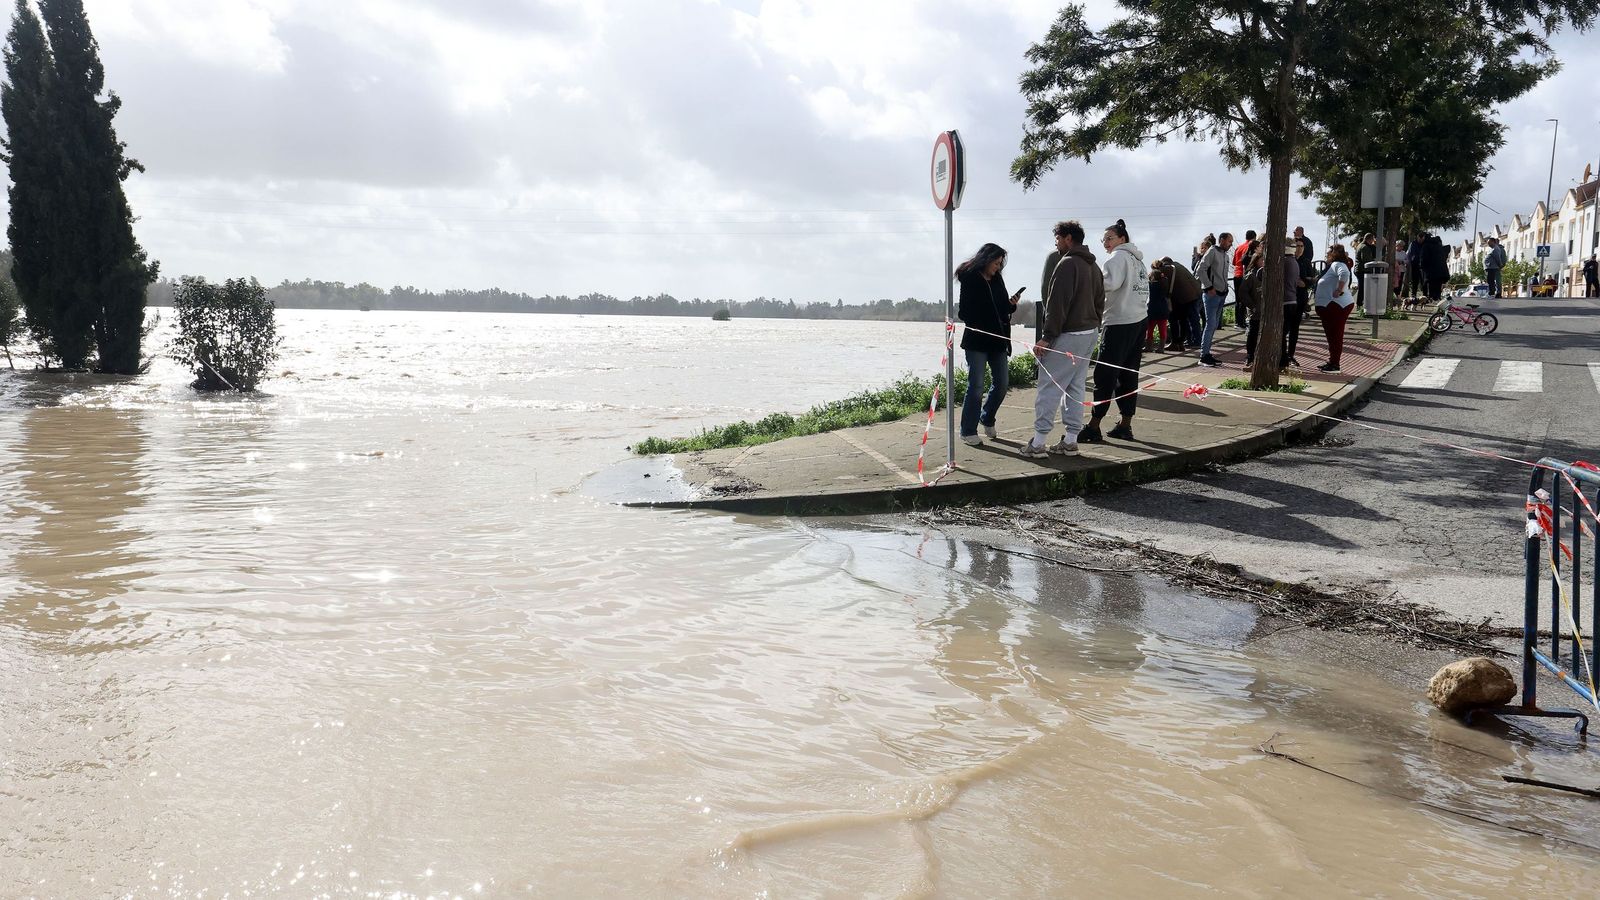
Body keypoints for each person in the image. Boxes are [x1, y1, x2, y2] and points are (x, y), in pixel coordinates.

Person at [1024, 220, 1105, 459]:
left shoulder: (1067, 263)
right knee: (1076, 387)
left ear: (1068, 238)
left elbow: (1057, 304)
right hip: (1089, 333)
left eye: (1058, 238)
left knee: (1049, 387)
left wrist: (1047, 337)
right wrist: (1094, 323)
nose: (1056, 243)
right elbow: (1101, 300)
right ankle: (1070, 440)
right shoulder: (1093, 265)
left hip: (1068, 335)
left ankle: (1038, 443)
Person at [1081, 219, 1147, 443]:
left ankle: (1094, 424)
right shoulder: (1138, 260)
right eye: (1103, 240)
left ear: (1122, 239)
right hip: (1138, 319)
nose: (1105, 243)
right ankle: (1125, 424)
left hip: (1119, 321)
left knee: (1105, 374)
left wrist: (1088, 282)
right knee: (1129, 374)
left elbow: (1108, 284)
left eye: (1109, 238)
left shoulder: (1117, 257)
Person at [954, 242, 1021, 446]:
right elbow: (963, 313)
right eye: (996, 263)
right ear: (986, 259)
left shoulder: (997, 279)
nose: (998, 267)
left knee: (1001, 384)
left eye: (1001, 264)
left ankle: (987, 417)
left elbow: (1002, 308)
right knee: (976, 386)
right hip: (976, 340)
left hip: (998, 339)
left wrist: (1010, 305)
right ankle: (967, 430)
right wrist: (984, 319)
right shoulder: (970, 277)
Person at [1195, 231, 1234, 367]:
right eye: (1229, 241)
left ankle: (1207, 352)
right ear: (1222, 240)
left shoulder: (1225, 255)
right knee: (1210, 324)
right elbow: (1201, 270)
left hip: (1222, 293)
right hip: (1212, 294)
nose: (1231, 244)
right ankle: (1203, 355)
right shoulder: (1212, 251)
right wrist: (1209, 286)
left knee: (1214, 324)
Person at [1315, 244, 1355, 374]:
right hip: (1330, 306)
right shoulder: (1331, 267)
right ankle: (1332, 361)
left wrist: (1339, 289)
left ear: (1334, 254)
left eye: (1328, 253)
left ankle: (1335, 364)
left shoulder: (1337, 264)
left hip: (1336, 305)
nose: (1326, 255)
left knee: (1335, 335)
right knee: (1332, 335)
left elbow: (1344, 273)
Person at [1287, 234, 1314, 367]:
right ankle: (1281, 354)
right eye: (1297, 246)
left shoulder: (1306, 261)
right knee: (1285, 327)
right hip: (1287, 298)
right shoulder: (1288, 260)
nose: (1299, 248)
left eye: (1302, 246)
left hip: (1300, 298)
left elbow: (1312, 279)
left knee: (1295, 329)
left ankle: (1291, 355)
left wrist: (1305, 282)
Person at [1240, 248, 1265, 367]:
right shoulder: (1250, 276)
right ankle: (1250, 356)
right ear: (1256, 261)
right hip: (1255, 312)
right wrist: (1252, 306)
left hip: (1264, 311)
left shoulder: (1267, 274)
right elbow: (1243, 293)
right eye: (1262, 260)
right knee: (1252, 334)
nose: (1264, 262)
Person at [1232, 229, 1257, 331]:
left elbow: (1234, 262)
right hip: (1244, 275)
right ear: (1254, 237)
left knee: (1238, 300)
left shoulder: (1239, 247)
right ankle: (1241, 322)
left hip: (1236, 274)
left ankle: (1237, 321)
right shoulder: (1251, 247)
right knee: (1244, 299)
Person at [1145, 262, 1170, 351]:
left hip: (1152, 309)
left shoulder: (1151, 285)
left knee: (1149, 329)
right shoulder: (1164, 284)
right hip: (1163, 309)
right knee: (1162, 330)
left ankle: (1148, 347)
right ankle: (1161, 348)